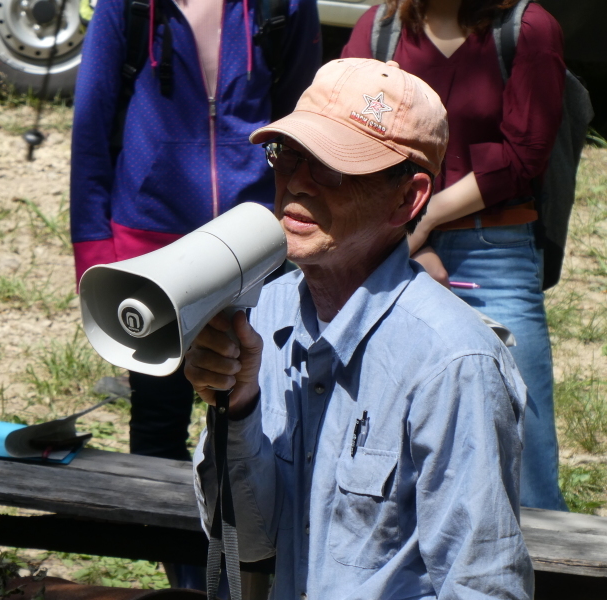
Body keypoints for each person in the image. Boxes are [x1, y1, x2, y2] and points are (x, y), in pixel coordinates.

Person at [187, 58, 534, 599]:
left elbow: (482, 584)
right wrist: (238, 408)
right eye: (287, 154)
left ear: (408, 198)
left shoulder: (453, 362)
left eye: (330, 165)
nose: (296, 182)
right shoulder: (261, 313)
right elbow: (249, 543)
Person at [70, 0, 321, 464]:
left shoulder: (282, 5)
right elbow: (91, 125)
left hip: (255, 242)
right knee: (156, 420)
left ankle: (238, 536)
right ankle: (154, 534)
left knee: (254, 414)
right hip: (149, 241)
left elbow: (304, 126)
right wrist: (93, 251)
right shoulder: (128, 6)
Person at [341, 0, 567, 511]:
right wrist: (407, 243)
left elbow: (524, 153)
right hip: (390, 248)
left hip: (493, 249)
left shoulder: (529, 29)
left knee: (524, 443)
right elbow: (347, 133)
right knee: (382, 430)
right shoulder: (380, 28)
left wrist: (429, 219)